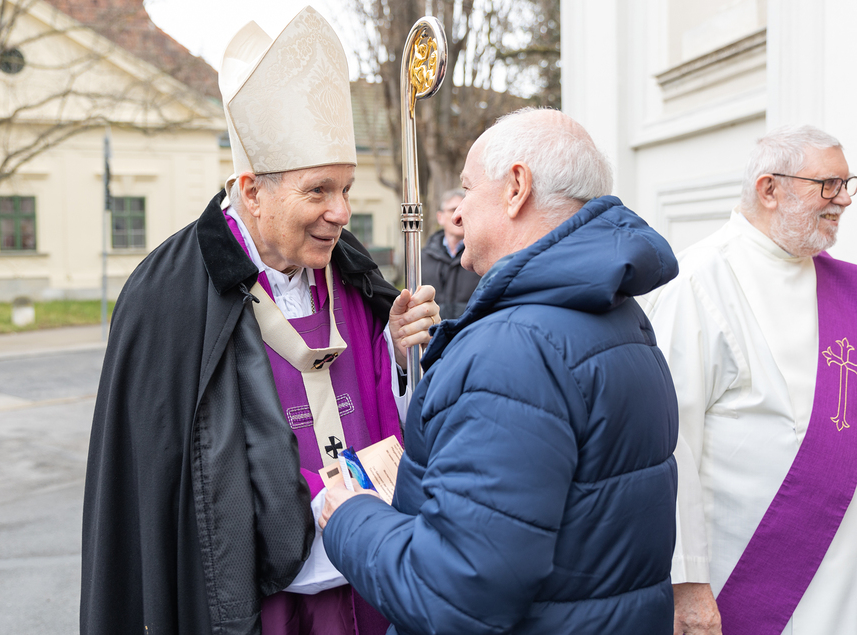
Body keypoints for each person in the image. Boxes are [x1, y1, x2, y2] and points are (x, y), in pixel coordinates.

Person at [80, 6, 439, 635]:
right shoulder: (169, 295)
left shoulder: (351, 273)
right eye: (318, 190)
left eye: (346, 188)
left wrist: (401, 353)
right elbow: (162, 485)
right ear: (251, 191)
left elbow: (391, 411)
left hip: (371, 582)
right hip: (254, 602)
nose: (341, 212)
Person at [319, 108, 680, 634]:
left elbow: (456, 594)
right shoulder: (617, 316)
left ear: (516, 188)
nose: (457, 214)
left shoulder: (513, 350)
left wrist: (351, 516)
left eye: (467, 189)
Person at [641, 125, 857, 635]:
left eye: (847, 184)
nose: (844, 200)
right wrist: (687, 585)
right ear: (769, 189)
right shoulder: (698, 282)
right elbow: (669, 447)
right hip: (745, 575)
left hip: (844, 571)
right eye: (828, 185)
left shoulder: (844, 286)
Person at [422, 189, 482, 320]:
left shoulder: (482, 257)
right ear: (440, 217)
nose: (459, 215)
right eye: (453, 209)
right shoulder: (423, 258)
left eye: (465, 209)